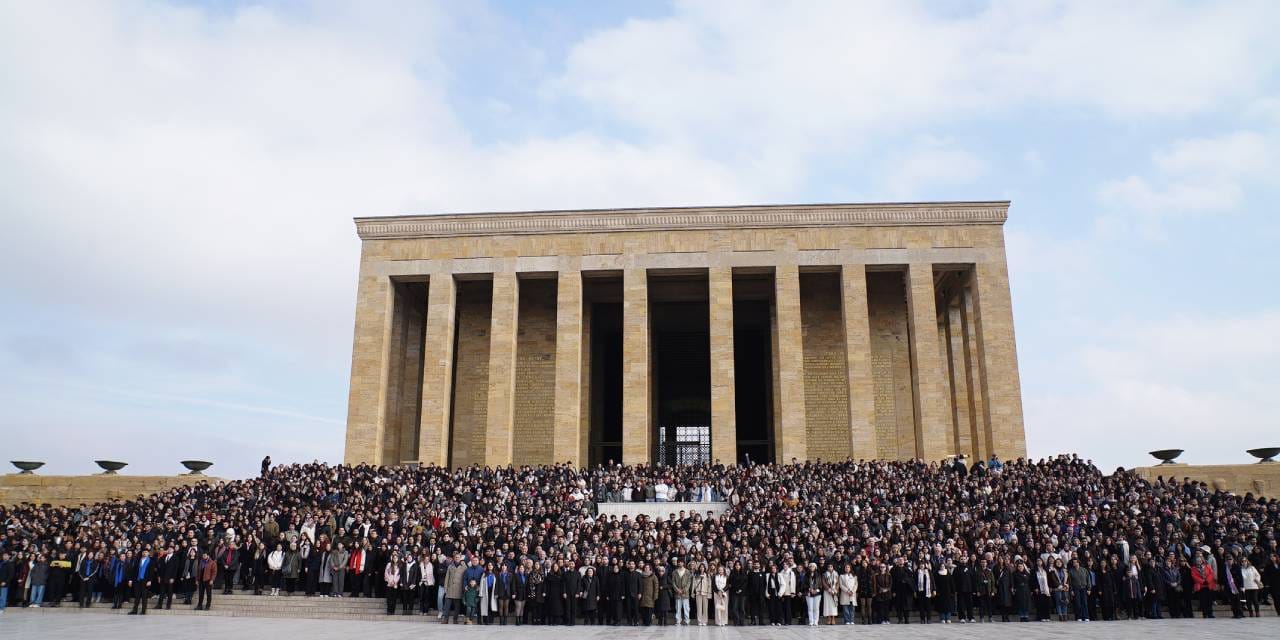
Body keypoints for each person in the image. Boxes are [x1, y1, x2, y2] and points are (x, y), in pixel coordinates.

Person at [127, 549, 155, 615]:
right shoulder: (138, 560)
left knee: (144, 596)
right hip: (137, 580)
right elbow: (133, 571)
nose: (144, 553)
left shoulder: (151, 561)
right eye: (143, 552)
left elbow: (151, 572)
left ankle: (143, 611)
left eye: (146, 552)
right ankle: (134, 610)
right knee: (137, 596)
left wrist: (150, 580)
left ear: (148, 553)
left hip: (145, 581)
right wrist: (130, 580)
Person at [692, 562, 711, 627]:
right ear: (699, 568)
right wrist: (693, 592)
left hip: (705, 593)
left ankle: (705, 621)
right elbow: (693, 584)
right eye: (701, 567)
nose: (702, 568)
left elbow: (709, 585)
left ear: (705, 568)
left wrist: (709, 593)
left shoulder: (707, 575)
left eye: (703, 567)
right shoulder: (696, 575)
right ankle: (699, 621)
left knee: (705, 608)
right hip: (698, 593)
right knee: (699, 608)